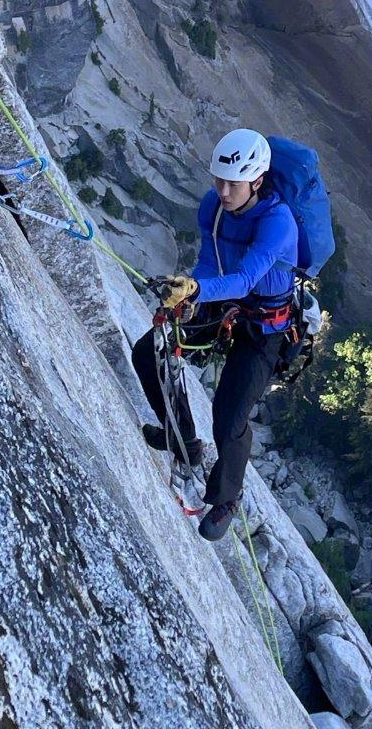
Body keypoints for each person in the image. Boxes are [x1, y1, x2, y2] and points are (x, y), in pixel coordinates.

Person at [130, 128, 298, 542]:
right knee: (149, 352)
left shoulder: (278, 222)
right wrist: (190, 288)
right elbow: (211, 261)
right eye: (218, 180)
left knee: (229, 416)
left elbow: (245, 278)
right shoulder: (214, 206)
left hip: (266, 325)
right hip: (225, 302)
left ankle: (226, 497)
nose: (222, 191)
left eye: (232, 184)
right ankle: (183, 439)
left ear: (257, 181)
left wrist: (197, 291)